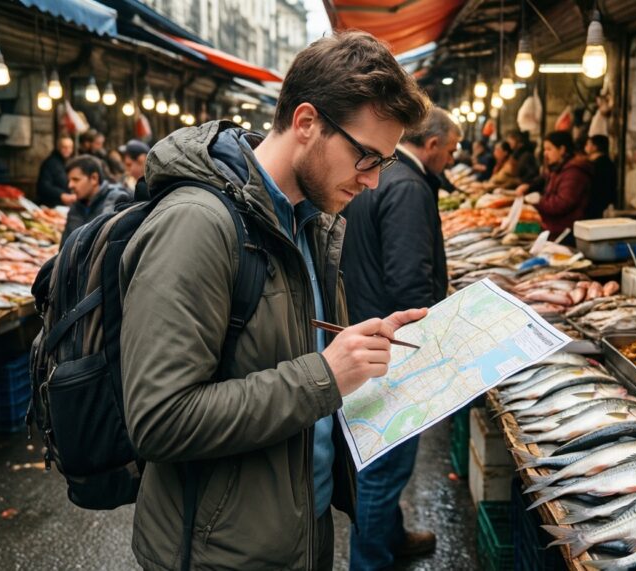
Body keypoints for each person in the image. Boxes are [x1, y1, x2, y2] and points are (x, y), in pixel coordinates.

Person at [118, 31, 429, 570]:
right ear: (307, 123)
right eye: (366, 157)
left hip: (297, 536)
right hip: (218, 553)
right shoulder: (197, 223)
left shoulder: (310, 220)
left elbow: (291, 361)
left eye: (386, 161)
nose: (375, 182)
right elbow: (159, 419)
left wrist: (359, 357)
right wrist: (325, 376)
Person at [341, 107, 460, 570]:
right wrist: (430, 348)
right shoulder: (408, 187)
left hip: (367, 327)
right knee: (384, 468)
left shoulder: (382, 180)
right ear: (430, 144)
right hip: (391, 347)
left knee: (381, 459)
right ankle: (370, 561)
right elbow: (410, 280)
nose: (450, 159)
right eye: (450, 150)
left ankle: (392, 537)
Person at [518, 131, 592, 242]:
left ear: (562, 149)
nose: (545, 153)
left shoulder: (574, 173)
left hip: (565, 234)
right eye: (544, 149)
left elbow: (561, 204)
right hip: (552, 228)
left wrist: (539, 202)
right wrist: (529, 187)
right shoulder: (558, 168)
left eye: (549, 149)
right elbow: (543, 180)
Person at [60, 156, 131, 242]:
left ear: (94, 178)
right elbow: (64, 246)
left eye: (76, 180)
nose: (70, 185)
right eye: (69, 180)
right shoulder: (75, 207)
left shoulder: (117, 202)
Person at [37, 135, 76, 207]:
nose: (67, 150)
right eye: (64, 147)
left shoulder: (69, 162)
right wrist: (61, 195)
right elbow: (43, 186)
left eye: (70, 147)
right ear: (58, 147)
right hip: (51, 205)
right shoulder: (50, 163)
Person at [584, 134, 617, 219]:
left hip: (596, 206)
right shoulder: (607, 162)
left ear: (595, 147)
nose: (585, 147)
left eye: (588, 144)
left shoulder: (597, 165)